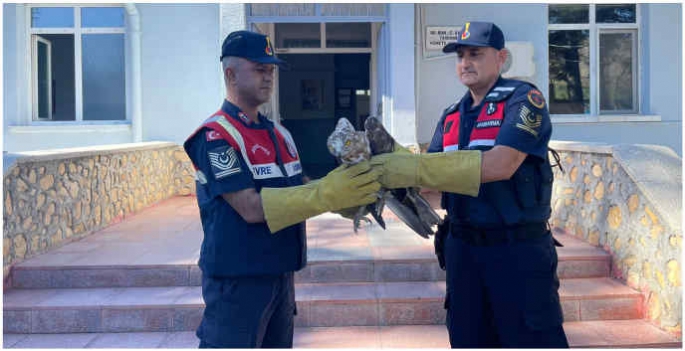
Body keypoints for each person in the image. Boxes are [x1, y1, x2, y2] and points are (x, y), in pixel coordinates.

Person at [370, 21, 568, 348]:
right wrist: (381, 175)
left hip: (516, 251)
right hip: (463, 252)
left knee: (531, 339)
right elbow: (429, 187)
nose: (465, 63)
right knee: (467, 339)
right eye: (460, 56)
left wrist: (415, 169)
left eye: (475, 54)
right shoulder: (450, 116)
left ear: (501, 57)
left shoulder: (523, 99)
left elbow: (501, 165)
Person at [183, 30, 380, 348]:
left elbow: (300, 187)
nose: (268, 77)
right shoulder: (216, 136)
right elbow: (249, 207)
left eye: (271, 70)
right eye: (259, 69)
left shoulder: (280, 134)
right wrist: (327, 192)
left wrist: (346, 197)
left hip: (280, 274)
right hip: (238, 283)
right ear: (230, 74)